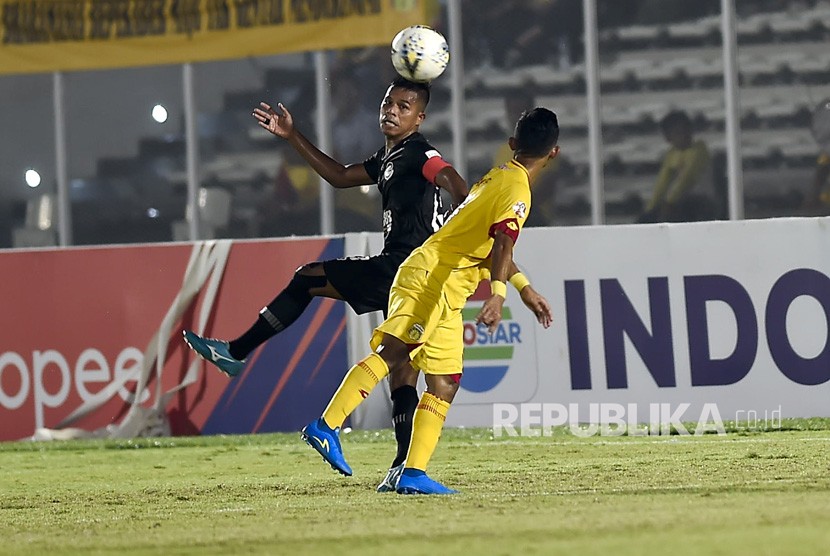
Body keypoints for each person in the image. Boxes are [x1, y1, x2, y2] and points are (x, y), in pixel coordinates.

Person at [183, 76, 468, 491]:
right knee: (403, 369)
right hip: (410, 276)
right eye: (389, 102)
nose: (391, 110)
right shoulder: (389, 156)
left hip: (404, 268)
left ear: (419, 117)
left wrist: (462, 201)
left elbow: (449, 177)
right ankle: (404, 469)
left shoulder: (418, 152)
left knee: (308, 279)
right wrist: (292, 135)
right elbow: (338, 175)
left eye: (404, 107)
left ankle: (237, 353)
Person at [300, 107, 558, 494]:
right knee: (395, 353)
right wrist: (499, 294)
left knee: (445, 382)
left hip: (445, 288)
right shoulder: (517, 191)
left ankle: (410, 472)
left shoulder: (496, 178)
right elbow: (503, 243)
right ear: (554, 153)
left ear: (511, 145)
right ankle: (326, 425)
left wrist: (524, 288)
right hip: (430, 279)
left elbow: (486, 246)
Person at [494, 91, 559, 226]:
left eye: (520, 111)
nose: (515, 116)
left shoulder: (546, 145)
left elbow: (548, 185)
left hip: (538, 221)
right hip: (508, 219)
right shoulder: (502, 151)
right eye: (512, 111)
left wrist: (519, 204)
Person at [639, 110, 716, 223]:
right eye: (678, 133)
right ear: (668, 138)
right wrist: (651, 208)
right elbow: (662, 183)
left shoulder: (699, 150)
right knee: (646, 218)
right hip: (679, 202)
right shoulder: (671, 155)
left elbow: (687, 178)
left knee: (677, 212)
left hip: (703, 202)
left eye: (686, 131)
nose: (684, 136)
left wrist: (670, 202)